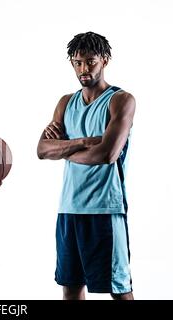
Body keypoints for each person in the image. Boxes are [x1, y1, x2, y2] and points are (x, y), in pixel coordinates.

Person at [37, 32, 136, 300]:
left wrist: (64, 149)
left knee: (119, 289)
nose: (83, 69)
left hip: (105, 209)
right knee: (70, 288)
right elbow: (42, 150)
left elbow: (107, 154)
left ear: (105, 60)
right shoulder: (65, 102)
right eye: (77, 62)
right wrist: (81, 143)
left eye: (90, 61)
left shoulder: (121, 100)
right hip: (69, 208)